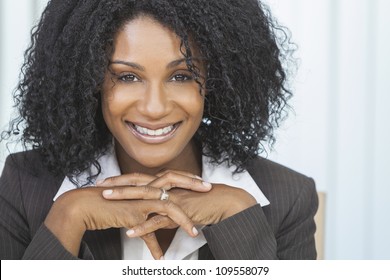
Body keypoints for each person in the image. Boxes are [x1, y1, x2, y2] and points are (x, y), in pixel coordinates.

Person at [0, 0, 318, 260]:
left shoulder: (287, 197)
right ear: (90, 79)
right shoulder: (25, 185)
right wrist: (67, 217)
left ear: (215, 81)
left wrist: (239, 216)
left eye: (181, 76)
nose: (154, 108)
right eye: (127, 77)